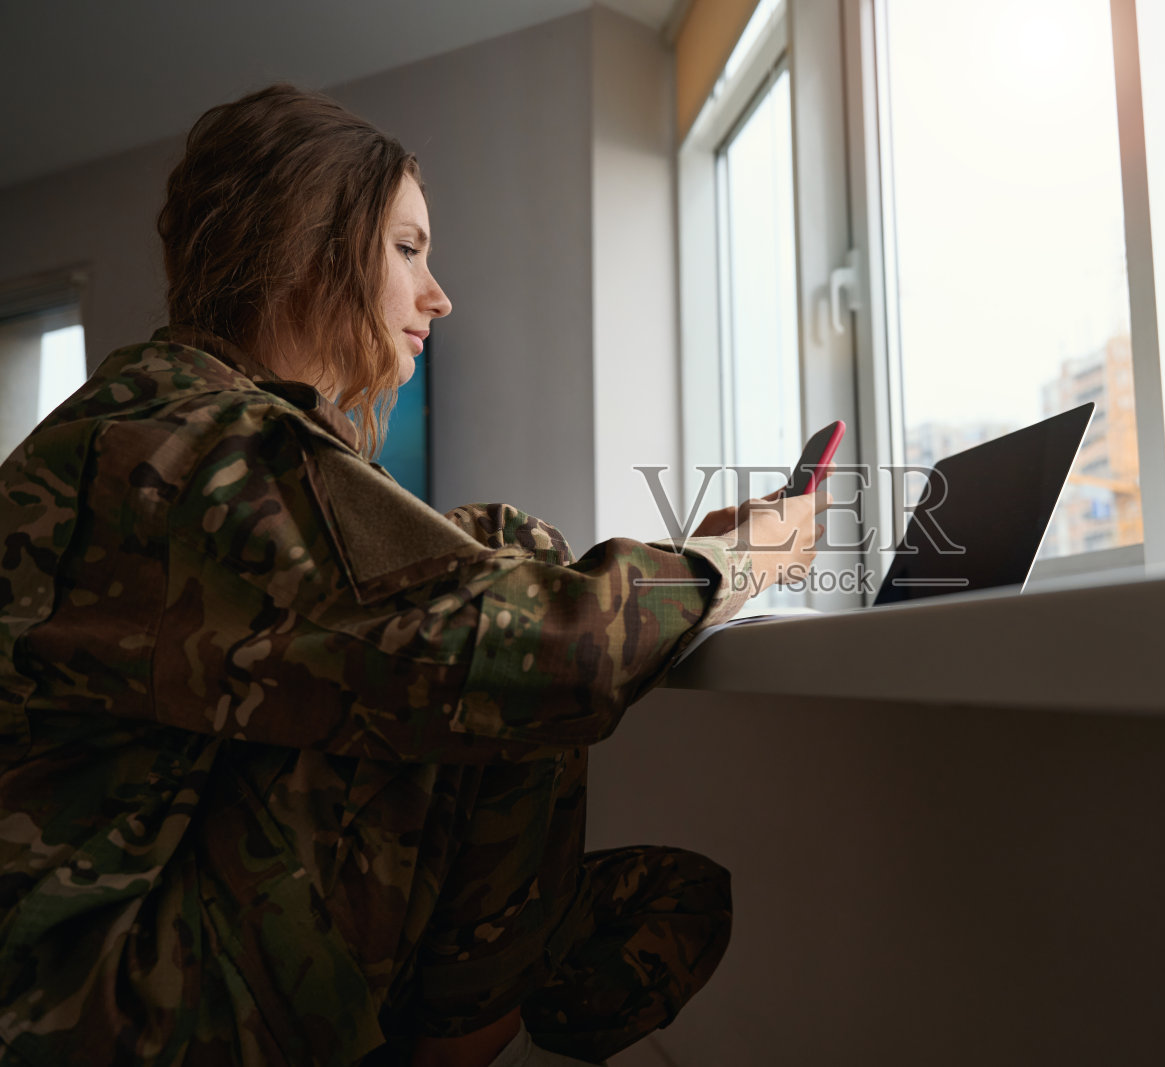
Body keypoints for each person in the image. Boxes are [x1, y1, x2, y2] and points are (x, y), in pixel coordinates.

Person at [0, 85, 823, 1067]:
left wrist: (688, 569)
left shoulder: (153, 417)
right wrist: (744, 559)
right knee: (501, 616)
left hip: (73, 966)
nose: (437, 294)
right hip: (109, 1009)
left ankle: (499, 992)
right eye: (406, 248)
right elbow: (547, 650)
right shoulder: (205, 450)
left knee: (499, 572)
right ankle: (464, 1037)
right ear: (308, 243)